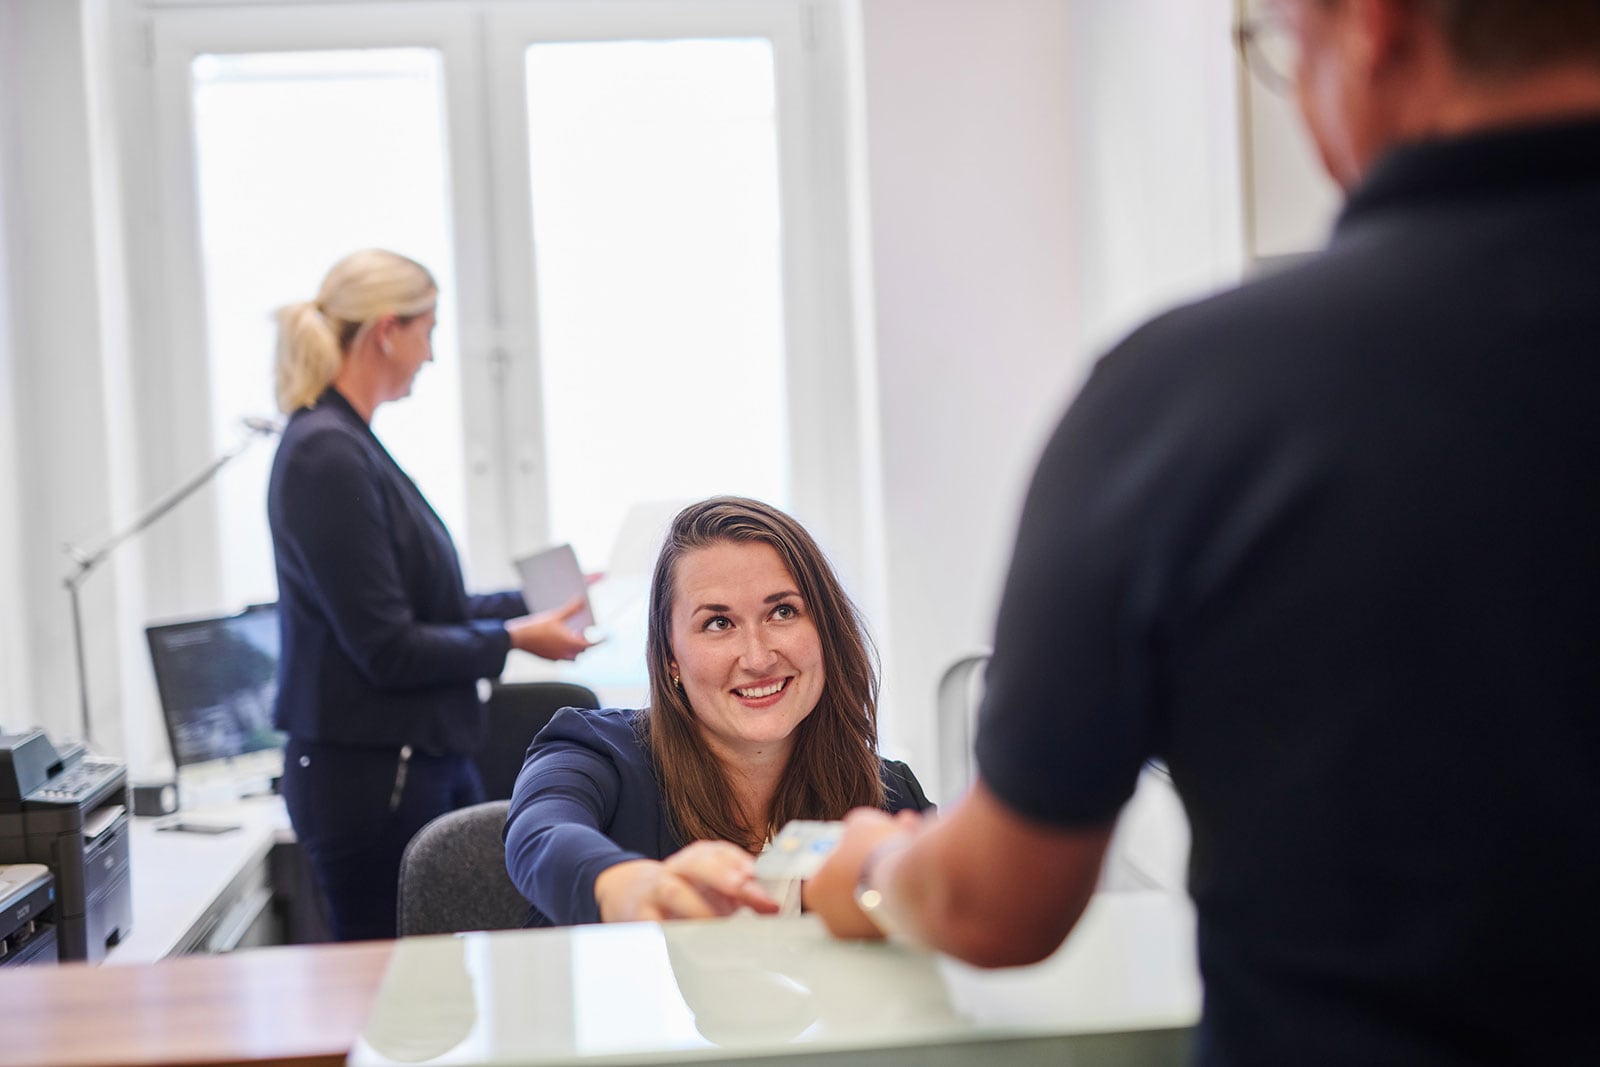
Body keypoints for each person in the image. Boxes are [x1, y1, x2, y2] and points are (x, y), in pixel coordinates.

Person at [809, 2, 1600, 1064]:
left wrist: (868, 864)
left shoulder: (1192, 402)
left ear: (1370, 30)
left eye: (1286, 50)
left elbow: (996, 902)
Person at [268, 248, 594, 941]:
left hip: (417, 764)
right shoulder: (325, 454)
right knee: (401, 999)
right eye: (429, 330)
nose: (432, 354)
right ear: (388, 330)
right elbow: (386, 647)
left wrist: (534, 602)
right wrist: (515, 638)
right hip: (374, 782)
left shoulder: (349, 445)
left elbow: (421, 610)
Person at [503, 496, 931, 926]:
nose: (758, 657)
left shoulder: (888, 795)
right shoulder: (593, 752)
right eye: (718, 623)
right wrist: (620, 884)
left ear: (826, 631)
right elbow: (538, 835)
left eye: (782, 612)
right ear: (672, 656)